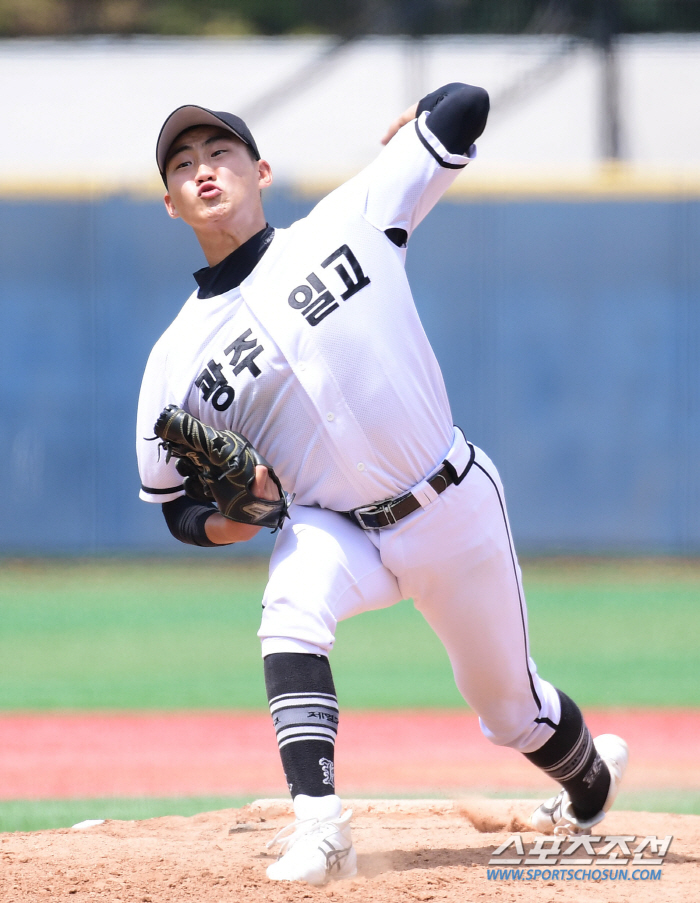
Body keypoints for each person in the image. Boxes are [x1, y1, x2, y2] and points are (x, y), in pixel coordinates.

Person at [136, 83, 628, 886]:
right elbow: (180, 511)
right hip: (335, 523)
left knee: (511, 711)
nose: (204, 169)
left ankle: (589, 782)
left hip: (449, 502)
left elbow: (466, 105)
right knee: (290, 611)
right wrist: (237, 514)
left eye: (220, 151)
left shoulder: (352, 217)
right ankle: (322, 826)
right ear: (171, 203)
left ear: (260, 169)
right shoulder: (173, 360)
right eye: (184, 164)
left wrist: (417, 118)